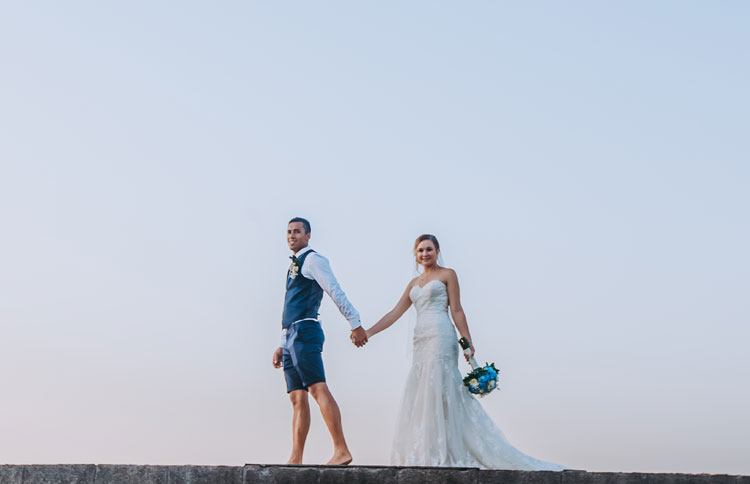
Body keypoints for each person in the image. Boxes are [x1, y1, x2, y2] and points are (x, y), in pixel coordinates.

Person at [365, 234, 563, 469]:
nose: (424, 254)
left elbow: (457, 310)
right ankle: (429, 448)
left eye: (429, 249)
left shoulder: (448, 274)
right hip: (420, 340)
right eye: (420, 251)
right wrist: (367, 333)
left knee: (442, 385)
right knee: (424, 391)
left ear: (437, 251)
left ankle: (448, 449)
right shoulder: (412, 284)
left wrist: (467, 340)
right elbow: (394, 313)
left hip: (441, 335)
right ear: (415, 255)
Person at [271, 217, 369, 465]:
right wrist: (282, 345)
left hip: (306, 331)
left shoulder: (314, 259)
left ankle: (341, 449)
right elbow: (291, 305)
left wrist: (354, 323)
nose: (292, 236)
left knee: (317, 387)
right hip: (291, 335)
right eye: (289, 232)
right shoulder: (293, 264)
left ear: (308, 235)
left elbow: (334, 289)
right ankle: (295, 458)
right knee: (297, 397)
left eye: (297, 232)